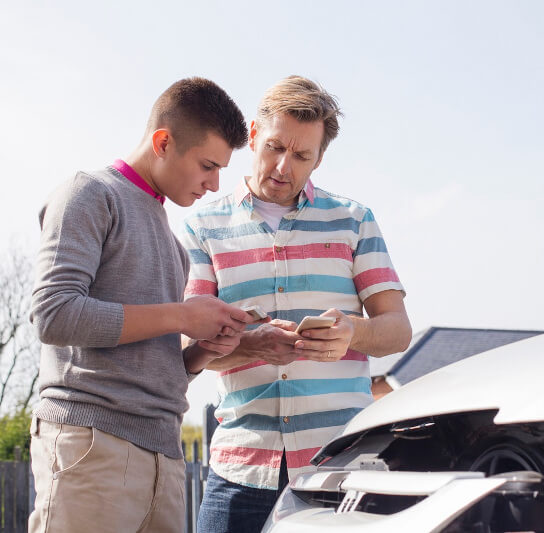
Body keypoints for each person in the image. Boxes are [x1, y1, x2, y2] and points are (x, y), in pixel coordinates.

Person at [183, 75, 412, 531]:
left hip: (338, 467)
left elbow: (397, 331)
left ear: (320, 157)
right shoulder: (202, 226)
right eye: (274, 147)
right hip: (240, 467)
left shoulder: (354, 220)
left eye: (302, 155)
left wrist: (353, 329)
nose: (284, 166)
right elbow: (193, 347)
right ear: (252, 136)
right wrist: (253, 346)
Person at [28, 77, 256, 533]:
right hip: (93, 448)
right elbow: (54, 313)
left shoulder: (173, 245)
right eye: (208, 166)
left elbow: (152, 361)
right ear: (163, 141)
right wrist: (184, 315)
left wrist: (202, 352)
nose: (214, 184)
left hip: (165, 457)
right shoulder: (89, 193)